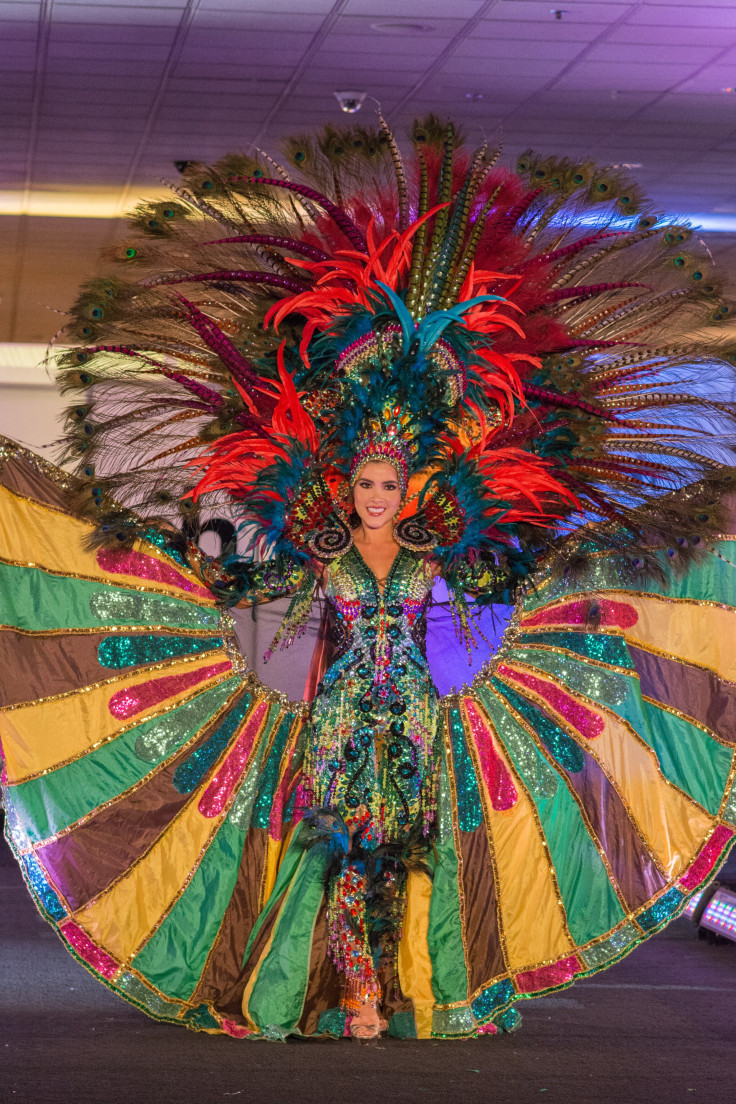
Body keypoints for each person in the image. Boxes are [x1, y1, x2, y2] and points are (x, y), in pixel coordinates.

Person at [1, 115, 736, 1042]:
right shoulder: (320, 556)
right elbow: (268, 630)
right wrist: (210, 598)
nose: (379, 497)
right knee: (337, 858)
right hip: (340, 723)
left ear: (408, 487)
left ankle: (411, 989)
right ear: (348, 487)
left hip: (425, 721)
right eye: (367, 484)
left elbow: (476, 629)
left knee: (413, 856)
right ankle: (345, 994)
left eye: (391, 484)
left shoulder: (436, 559)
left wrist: (522, 601)